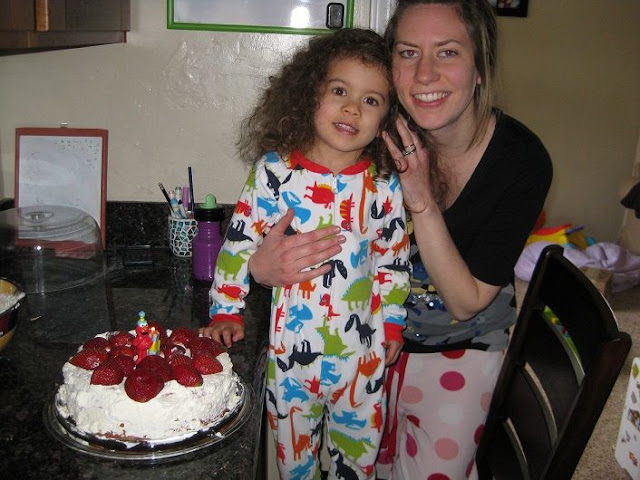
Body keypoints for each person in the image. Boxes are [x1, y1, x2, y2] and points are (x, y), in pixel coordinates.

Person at [246, 1, 553, 479]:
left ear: (480, 66)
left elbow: (467, 302)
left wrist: (420, 200)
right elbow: (284, 207)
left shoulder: (521, 161)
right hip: (349, 344)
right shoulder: (364, 124)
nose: (425, 74)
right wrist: (260, 269)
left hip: (458, 347)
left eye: (447, 51)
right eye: (408, 53)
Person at [199, 28, 411, 480]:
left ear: (386, 119)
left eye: (371, 100)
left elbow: (393, 258)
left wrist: (393, 320)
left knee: (357, 466)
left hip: (362, 361)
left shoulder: (383, 184)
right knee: (294, 467)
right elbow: (239, 243)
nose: (352, 108)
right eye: (339, 91)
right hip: (291, 362)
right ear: (310, 94)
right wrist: (226, 310)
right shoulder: (274, 171)